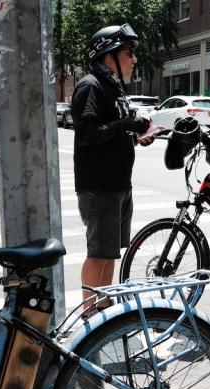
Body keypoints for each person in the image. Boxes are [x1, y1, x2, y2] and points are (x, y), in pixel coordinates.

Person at [70, 23, 155, 313]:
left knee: (109, 253)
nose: (134, 59)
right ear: (109, 55)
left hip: (119, 185)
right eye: (128, 53)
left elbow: (115, 129)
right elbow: (86, 133)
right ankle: (90, 312)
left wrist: (137, 132)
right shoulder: (90, 86)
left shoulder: (113, 87)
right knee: (97, 255)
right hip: (100, 187)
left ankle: (104, 307)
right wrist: (125, 125)